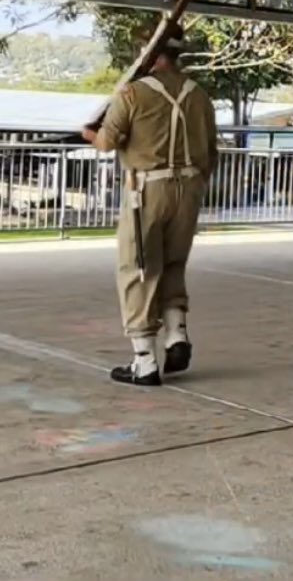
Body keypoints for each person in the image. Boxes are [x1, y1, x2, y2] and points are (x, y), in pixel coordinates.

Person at [83, 22, 218, 387]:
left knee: (139, 269)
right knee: (174, 263)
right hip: (189, 188)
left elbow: (108, 142)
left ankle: (144, 359)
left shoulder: (132, 93)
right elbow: (211, 153)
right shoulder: (199, 95)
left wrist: (89, 134)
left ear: (150, 52)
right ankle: (176, 334)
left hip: (146, 190)